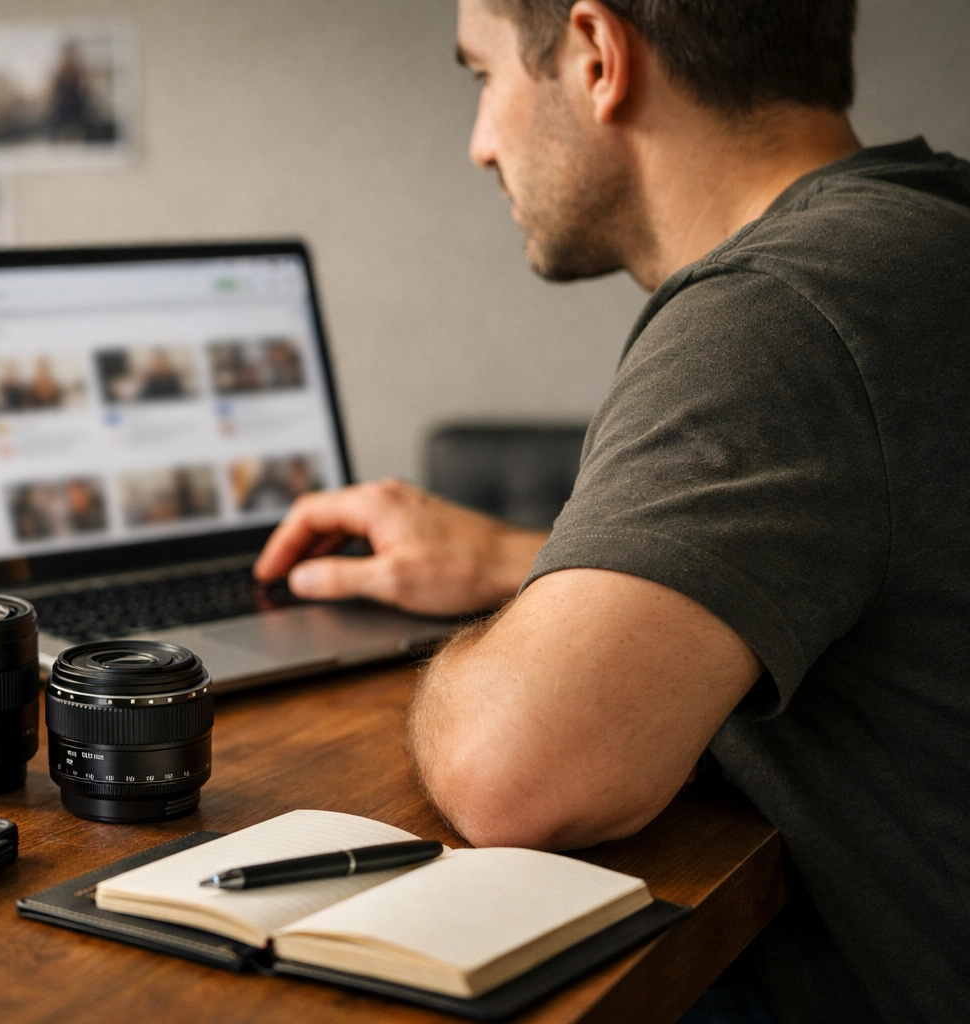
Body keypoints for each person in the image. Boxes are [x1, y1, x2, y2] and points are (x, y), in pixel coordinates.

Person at [253, 2, 969, 1021]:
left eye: (482, 77)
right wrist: (519, 558)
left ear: (597, 55)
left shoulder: (782, 307)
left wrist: (483, 657)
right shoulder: (928, 226)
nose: (480, 144)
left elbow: (512, 772)